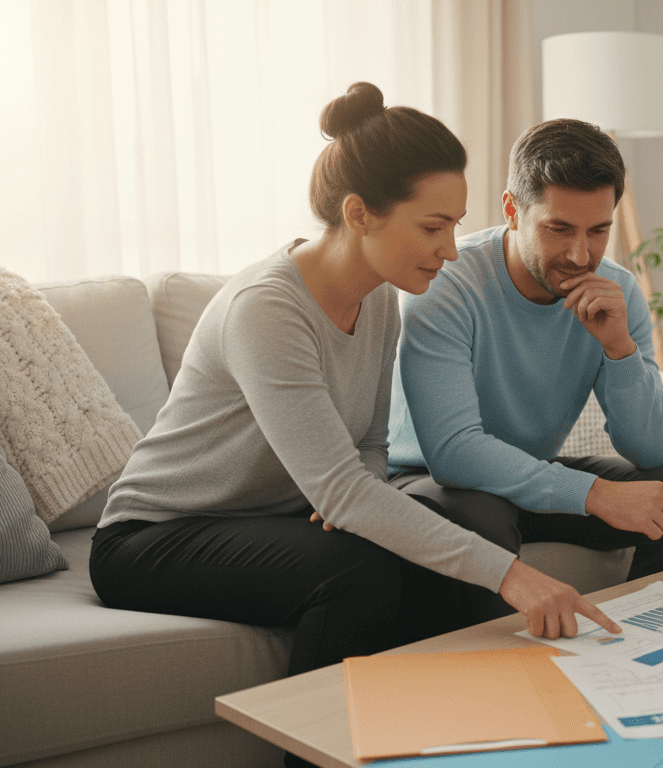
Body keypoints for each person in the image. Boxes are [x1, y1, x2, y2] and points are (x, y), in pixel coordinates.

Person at [90, 83, 621, 709]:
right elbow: (341, 488)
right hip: (155, 536)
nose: (451, 250)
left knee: (422, 553)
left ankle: (451, 729)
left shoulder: (379, 301)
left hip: (270, 520)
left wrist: (350, 504)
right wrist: (515, 577)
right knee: (357, 573)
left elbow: (367, 448)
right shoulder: (267, 309)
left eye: (453, 225)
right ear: (359, 213)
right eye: (432, 226)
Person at [385, 118, 663, 629]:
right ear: (513, 211)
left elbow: (652, 450)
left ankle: (647, 648)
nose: (580, 255)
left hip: (527, 472)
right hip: (427, 479)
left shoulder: (618, 290)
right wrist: (594, 495)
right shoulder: (448, 284)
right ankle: (508, 684)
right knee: (482, 516)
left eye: (599, 231)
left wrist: (619, 347)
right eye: (559, 229)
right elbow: (453, 454)